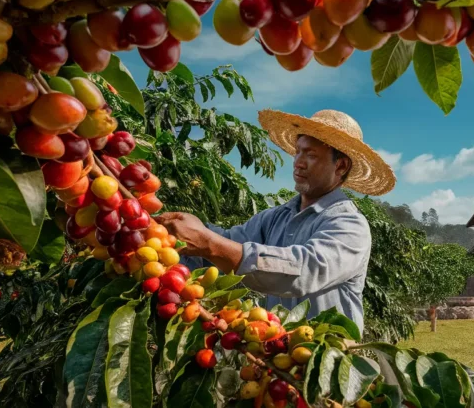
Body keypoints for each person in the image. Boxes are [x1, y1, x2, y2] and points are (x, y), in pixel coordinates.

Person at [155, 109, 395, 334]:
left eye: (311, 155)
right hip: (274, 357)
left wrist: (208, 242)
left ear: (340, 165)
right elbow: (226, 244)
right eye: (298, 151)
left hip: (327, 363)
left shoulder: (349, 224)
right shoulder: (275, 217)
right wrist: (172, 233)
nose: (298, 162)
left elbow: (303, 270)